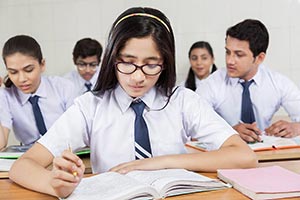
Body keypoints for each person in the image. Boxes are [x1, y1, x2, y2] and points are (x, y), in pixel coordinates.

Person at [9, 7, 256, 198]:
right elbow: (23, 166)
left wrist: (160, 162)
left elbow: (244, 156)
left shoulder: (182, 101)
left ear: (166, 62)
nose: (138, 76)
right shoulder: (90, 107)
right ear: (112, 58)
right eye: (127, 62)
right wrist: (54, 185)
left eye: (151, 64)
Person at [196, 19, 300, 143]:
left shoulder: (278, 83)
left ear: (259, 58)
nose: (230, 61)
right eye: (228, 52)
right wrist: (229, 132)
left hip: (267, 154)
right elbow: (193, 126)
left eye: (239, 54)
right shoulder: (211, 84)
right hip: (225, 154)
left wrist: (296, 127)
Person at [0, 35, 76, 149]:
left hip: (66, 152)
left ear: (42, 65)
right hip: (30, 156)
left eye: (29, 70)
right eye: (13, 72)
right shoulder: (6, 96)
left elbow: (77, 131)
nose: (22, 79)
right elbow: (1, 143)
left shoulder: (64, 87)